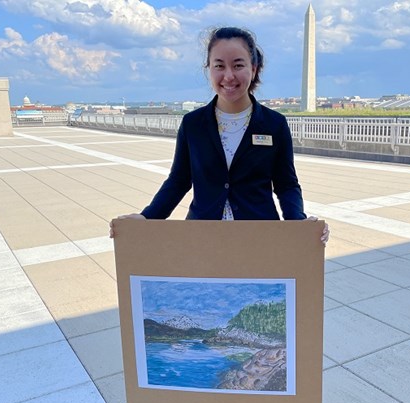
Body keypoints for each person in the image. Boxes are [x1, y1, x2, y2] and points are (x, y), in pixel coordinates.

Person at [110, 26, 329, 245]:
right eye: (219, 66)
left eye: (238, 65)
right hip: (203, 237)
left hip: (259, 238)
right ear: (209, 69)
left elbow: (286, 184)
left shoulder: (274, 124)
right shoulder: (193, 124)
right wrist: (147, 216)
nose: (228, 76)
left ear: (253, 68)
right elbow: (179, 180)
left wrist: (298, 223)